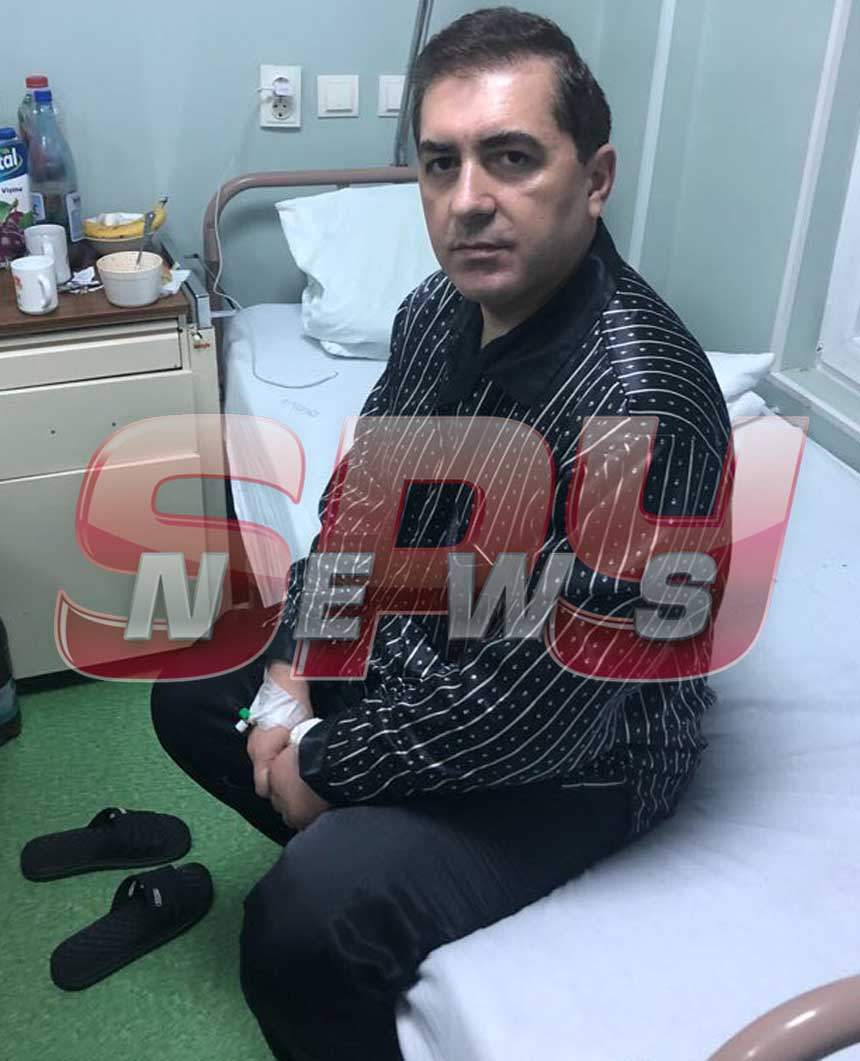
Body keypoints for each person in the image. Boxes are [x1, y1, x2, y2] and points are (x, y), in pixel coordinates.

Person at [151, 8, 732, 1059]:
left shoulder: (640, 406)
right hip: (430, 654)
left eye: (511, 158)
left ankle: (352, 872)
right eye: (439, 163)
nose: (467, 200)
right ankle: (361, 841)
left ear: (595, 178)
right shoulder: (433, 312)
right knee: (196, 697)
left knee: (302, 922)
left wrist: (323, 760)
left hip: (582, 757)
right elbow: (359, 509)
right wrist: (292, 677)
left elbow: (543, 715)